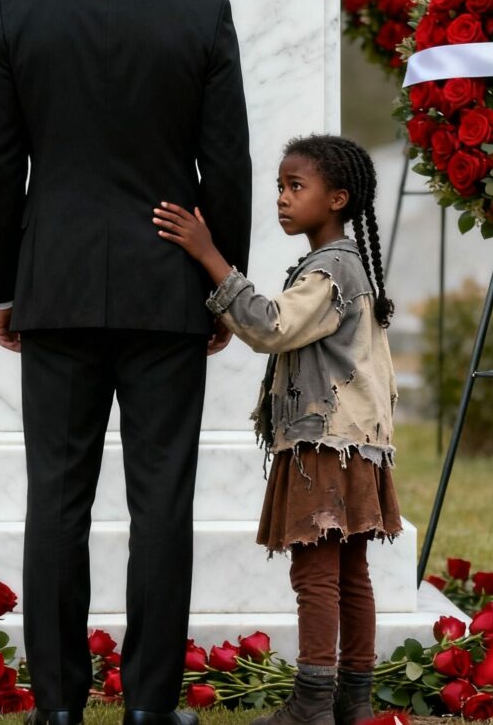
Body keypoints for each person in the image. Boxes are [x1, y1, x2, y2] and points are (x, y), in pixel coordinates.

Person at [0, 0, 252, 725]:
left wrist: (3, 285)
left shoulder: (20, 11)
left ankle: (56, 707)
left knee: (55, 498)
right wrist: (222, 282)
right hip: (168, 287)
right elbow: (229, 164)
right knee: (160, 501)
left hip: (52, 286)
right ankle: (148, 708)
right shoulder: (202, 14)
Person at [153, 134, 401, 725]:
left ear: (338, 198)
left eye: (297, 187)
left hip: (326, 443)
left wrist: (210, 256)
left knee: (316, 574)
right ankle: (354, 704)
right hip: (356, 444)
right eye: (280, 187)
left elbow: (270, 327)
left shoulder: (332, 267)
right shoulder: (346, 264)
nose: (283, 200)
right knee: (349, 575)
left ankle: (313, 705)